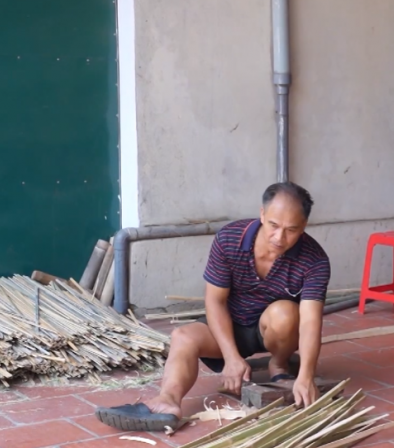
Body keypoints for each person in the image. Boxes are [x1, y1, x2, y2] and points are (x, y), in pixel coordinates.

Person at [96, 182, 331, 431]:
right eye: (273, 225)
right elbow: (215, 302)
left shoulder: (314, 260)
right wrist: (231, 357)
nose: (279, 237)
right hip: (230, 323)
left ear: (304, 227)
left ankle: (280, 363)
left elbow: (309, 322)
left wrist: (306, 376)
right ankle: (168, 401)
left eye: (291, 230)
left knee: (285, 314)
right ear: (262, 214)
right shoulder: (229, 239)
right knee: (183, 337)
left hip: (272, 330)